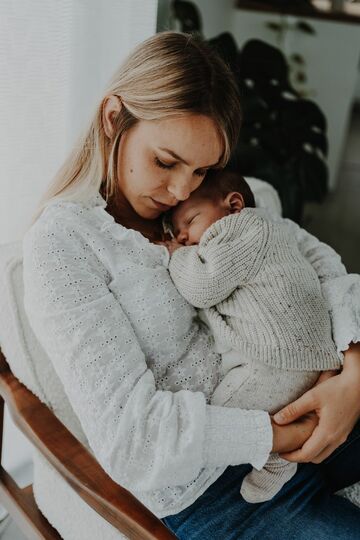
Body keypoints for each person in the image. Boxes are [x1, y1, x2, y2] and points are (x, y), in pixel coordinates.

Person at [22, 31, 360, 538]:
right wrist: (274, 435)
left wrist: (354, 372)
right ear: (114, 118)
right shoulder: (64, 246)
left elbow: (318, 265)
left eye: (203, 169)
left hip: (316, 400)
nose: (182, 189)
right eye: (166, 161)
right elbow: (132, 440)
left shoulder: (215, 204)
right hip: (210, 489)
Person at [164, 170, 343, 503]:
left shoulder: (240, 231)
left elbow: (201, 287)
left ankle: (275, 458)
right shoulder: (267, 231)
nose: (185, 235)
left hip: (276, 360)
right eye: (178, 233)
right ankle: (280, 462)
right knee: (275, 413)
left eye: (190, 221)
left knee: (218, 416)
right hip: (305, 357)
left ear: (233, 205)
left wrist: (176, 255)